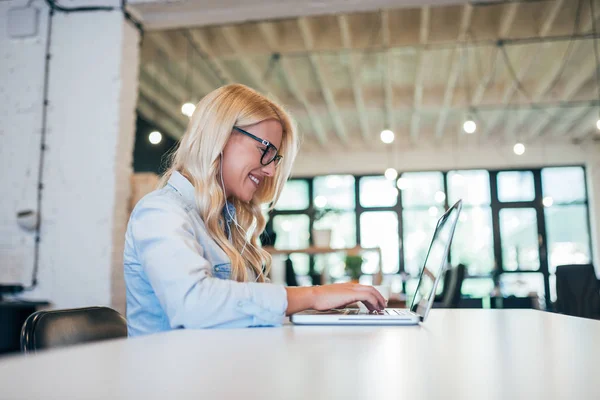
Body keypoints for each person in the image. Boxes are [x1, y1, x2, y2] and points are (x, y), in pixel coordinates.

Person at [123, 84, 386, 336]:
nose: (271, 170)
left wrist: (324, 308)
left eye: (275, 158)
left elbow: (247, 310)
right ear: (220, 136)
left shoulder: (225, 224)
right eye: (265, 150)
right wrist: (314, 295)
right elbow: (193, 304)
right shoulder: (160, 212)